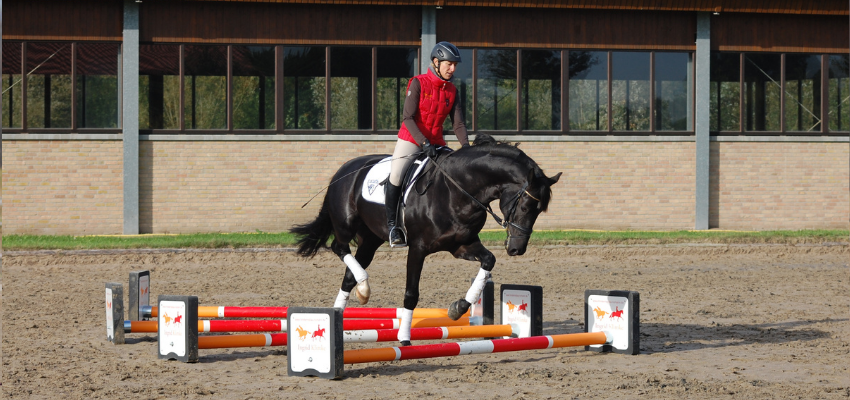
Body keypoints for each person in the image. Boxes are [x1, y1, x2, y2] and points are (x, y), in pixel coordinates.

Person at [385, 41, 471, 248]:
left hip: (437, 142)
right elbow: (408, 118)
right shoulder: (417, 83)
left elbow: (458, 123)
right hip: (412, 139)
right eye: (449, 64)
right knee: (396, 174)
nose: (453, 69)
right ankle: (393, 226)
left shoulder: (452, 91)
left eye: (455, 65)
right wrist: (423, 142)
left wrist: (467, 148)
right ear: (436, 62)